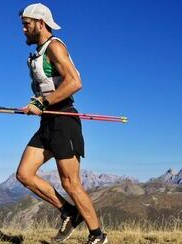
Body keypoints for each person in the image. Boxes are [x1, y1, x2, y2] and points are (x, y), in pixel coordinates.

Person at [16, 3, 108, 244]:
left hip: (64, 121)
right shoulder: (37, 53)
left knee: (70, 182)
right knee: (24, 174)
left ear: (40, 23)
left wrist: (43, 102)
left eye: (26, 25)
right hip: (48, 122)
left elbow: (75, 82)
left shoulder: (54, 47)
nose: (23, 30)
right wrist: (36, 103)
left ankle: (98, 235)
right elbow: (48, 87)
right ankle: (68, 211)